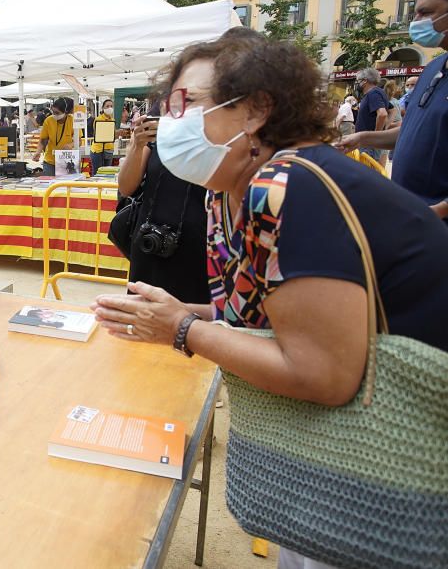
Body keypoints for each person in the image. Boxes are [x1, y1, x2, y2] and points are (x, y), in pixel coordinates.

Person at [92, 33, 448, 567]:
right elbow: (270, 314)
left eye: (189, 105)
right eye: (169, 108)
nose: (173, 123)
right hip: (332, 474)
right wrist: (186, 311)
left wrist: (182, 330)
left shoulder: (291, 185)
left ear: (258, 110)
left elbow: (323, 373)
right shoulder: (225, 192)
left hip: (398, 457)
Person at [337, 0, 448, 220]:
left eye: (427, 13)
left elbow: (382, 113)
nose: (416, 20)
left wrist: (437, 211)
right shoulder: (433, 69)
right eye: (416, 12)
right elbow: (412, 132)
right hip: (415, 214)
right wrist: (363, 137)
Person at [115, 99, 211, 304]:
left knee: (191, 318)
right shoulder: (157, 136)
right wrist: (136, 145)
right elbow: (126, 187)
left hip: (199, 243)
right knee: (142, 315)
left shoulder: (217, 135)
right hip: (151, 240)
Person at [33, 97, 82, 176]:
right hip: (50, 161)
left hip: (66, 161)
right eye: (53, 112)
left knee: (65, 186)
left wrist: (71, 145)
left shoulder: (73, 121)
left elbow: (79, 141)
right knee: (50, 186)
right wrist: (38, 152)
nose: (54, 115)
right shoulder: (48, 121)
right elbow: (43, 140)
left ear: (65, 112)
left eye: (57, 113)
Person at [352, 67, 389, 162]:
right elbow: (392, 110)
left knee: (366, 171)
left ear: (364, 81)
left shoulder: (373, 93)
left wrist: (375, 135)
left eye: (357, 81)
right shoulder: (377, 93)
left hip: (368, 144)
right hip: (368, 141)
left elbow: (382, 114)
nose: (356, 83)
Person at [89, 99, 116, 173]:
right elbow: (98, 134)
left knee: (107, 173)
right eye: (107, 106)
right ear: (103, 108)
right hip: (98, 150)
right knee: (97, 173)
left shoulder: (113, 120)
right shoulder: (98, 119)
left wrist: (117, 133)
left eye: (111, 106)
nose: (109, 108)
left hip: (109, 150)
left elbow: (113, 136)